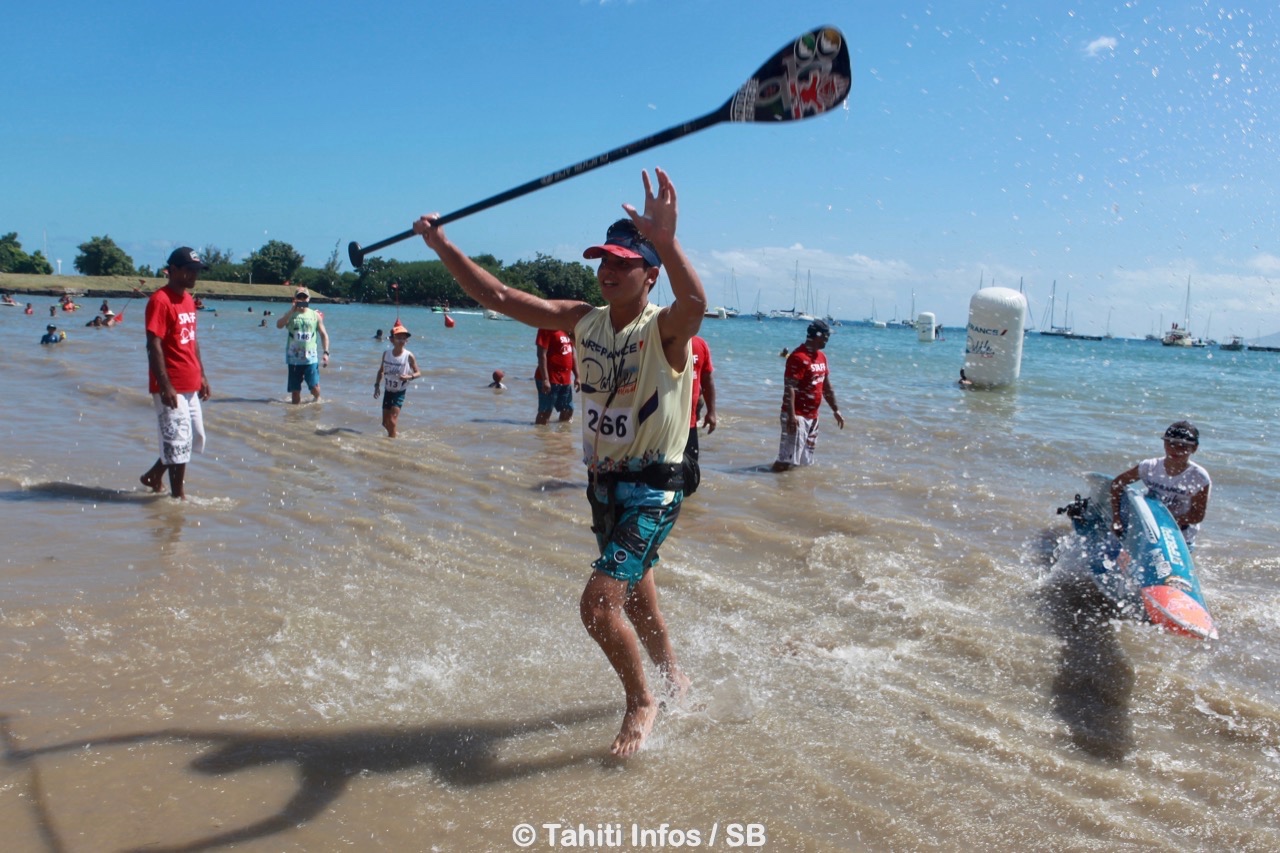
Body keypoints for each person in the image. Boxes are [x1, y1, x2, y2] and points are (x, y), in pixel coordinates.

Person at [412, 167, 703, 758]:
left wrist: (668, 242)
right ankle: (676, 678)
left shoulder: (665, 331)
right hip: (603, 488)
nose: (608, 270)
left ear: (650, 274)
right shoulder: (582, 319)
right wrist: (442, 245)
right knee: (637, 598)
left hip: (653, 488)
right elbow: (499, 298)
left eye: (624, 262)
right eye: (603, 260)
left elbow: (694, 302)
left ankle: (641, 701)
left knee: (598, 605)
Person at [138, 247, 211, 499]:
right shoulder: (160, 301)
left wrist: (202, 375)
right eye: (189, 270)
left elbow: (192, 340)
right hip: (171, 384)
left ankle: (153, 475)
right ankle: (178, 497)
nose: (194, 275)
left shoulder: (188, 300)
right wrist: (165, 384)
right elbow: (153, 344)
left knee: (192, 437)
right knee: (177, 441)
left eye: (197, 271)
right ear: (174, 270)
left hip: (190, 380)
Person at [1110, 421, 1211, 546]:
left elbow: (1197, 516)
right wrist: (1117, 518)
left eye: (1183, 446)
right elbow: (1117, 484)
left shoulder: (1199, 477)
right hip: (1150, 529)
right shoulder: (1150, 467)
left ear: (1194, 448)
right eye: (1171, 443)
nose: (1176, 449)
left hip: (1180, 535)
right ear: (1164, 444)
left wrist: (1163, 523)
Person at [771, 319, 845, 472]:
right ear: (818, 335)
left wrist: (835, 409)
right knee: (785, 462)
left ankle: (790, 486)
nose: (827, 339)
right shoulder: (798, 357)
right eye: (826, 336)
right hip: (797, 416)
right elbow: (790, 387)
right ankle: (766, 480)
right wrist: (791, 416)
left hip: (813, 417)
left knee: (803, 463)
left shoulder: (822, 357)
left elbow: (826, 386)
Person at [275, 288, 330, 404]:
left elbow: (323, 334)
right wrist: (291, 311)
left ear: (308, 299)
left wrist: (326, 353)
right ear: (295, 299)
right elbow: (279, 325)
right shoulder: (290, 314)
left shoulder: (315, 315)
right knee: (295, 393)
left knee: (314, 388)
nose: (302, 299)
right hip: (294, 360)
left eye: (304, 297)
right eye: (299, 297)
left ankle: (317, 402)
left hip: (311, 359)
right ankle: (295, 414)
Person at [682, 335, 717, 495]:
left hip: (690, 422)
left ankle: (687, 506)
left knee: (691, 472)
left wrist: (712, 412)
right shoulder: (663, 338)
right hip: (665, 422)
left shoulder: (700, 344)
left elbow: (707, 379)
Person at [373, 322, 421, 438]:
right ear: (392, 340)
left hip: (399, 392)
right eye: (398, 338)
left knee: (392, 420)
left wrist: (409, 377)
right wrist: (377, 386)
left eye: (404, 338)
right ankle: (393, 436)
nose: (401, 340)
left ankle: (391, 443)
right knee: (385, 423)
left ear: (407, 341)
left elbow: (418, 373)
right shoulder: (386, 354)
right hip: (388, 391)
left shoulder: (408, 356)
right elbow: (381, 371)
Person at [534, 328, 578, 424]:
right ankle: (540, 432)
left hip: (565, 380)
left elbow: (573, 354)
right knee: (545, 413)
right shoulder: (546, 328)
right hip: (550, 379)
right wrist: (545, 380)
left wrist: (577, 376)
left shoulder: (567, 329)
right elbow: (541, 355)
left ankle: (562, 433)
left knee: (568, 410)